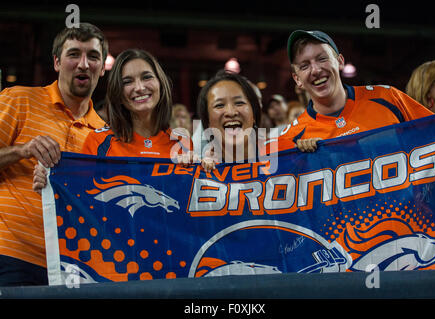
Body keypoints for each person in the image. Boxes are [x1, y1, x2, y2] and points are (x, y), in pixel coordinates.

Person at [0, 22, 108, 286]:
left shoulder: (105, 135)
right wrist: (22, 151)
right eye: (74, 54)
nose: (83, 64)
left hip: (73, 268)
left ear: (103, 68)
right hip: (10, 255)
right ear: (57, 62)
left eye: (93, 56)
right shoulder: (18, 99)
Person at [34, 48, 192, 193]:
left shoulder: (182, 143)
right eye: (127, 82)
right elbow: (79, 196)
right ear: (118, 93)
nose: (139, 87)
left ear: (161, 84)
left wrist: (202, 170)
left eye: (147, 77)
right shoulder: (98, 141)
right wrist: (50, 183)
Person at [277, 30, 434, 145]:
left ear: (340, 61)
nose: (316, 70)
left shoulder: (388, 97)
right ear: (297, 79)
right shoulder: (291, 137)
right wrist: (299, 160)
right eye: (304, 66)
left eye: (322, 58)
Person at [196, 70, 316, 172]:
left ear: (254, 114)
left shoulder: (286, 152)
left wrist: (313, 154)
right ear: (207, 121)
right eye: (219, 105)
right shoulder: (201, 171)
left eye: (239, 103)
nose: (231, 112)